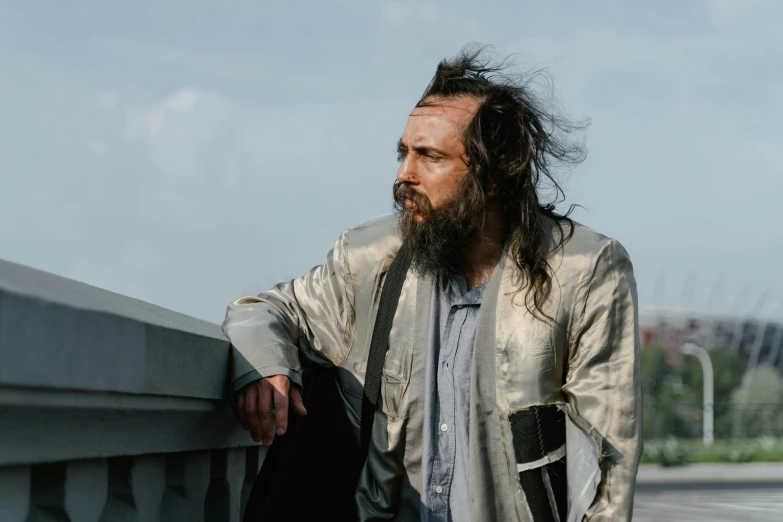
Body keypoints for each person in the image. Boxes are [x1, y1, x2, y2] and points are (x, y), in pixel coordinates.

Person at [222, 47, 642, 522]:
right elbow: (266, 308)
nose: (404, 174)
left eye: (429, 156)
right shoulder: (371, 257)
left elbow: (609, 463)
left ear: (494, 173)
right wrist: (262, 365)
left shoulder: (585, 270)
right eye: (403, 153)